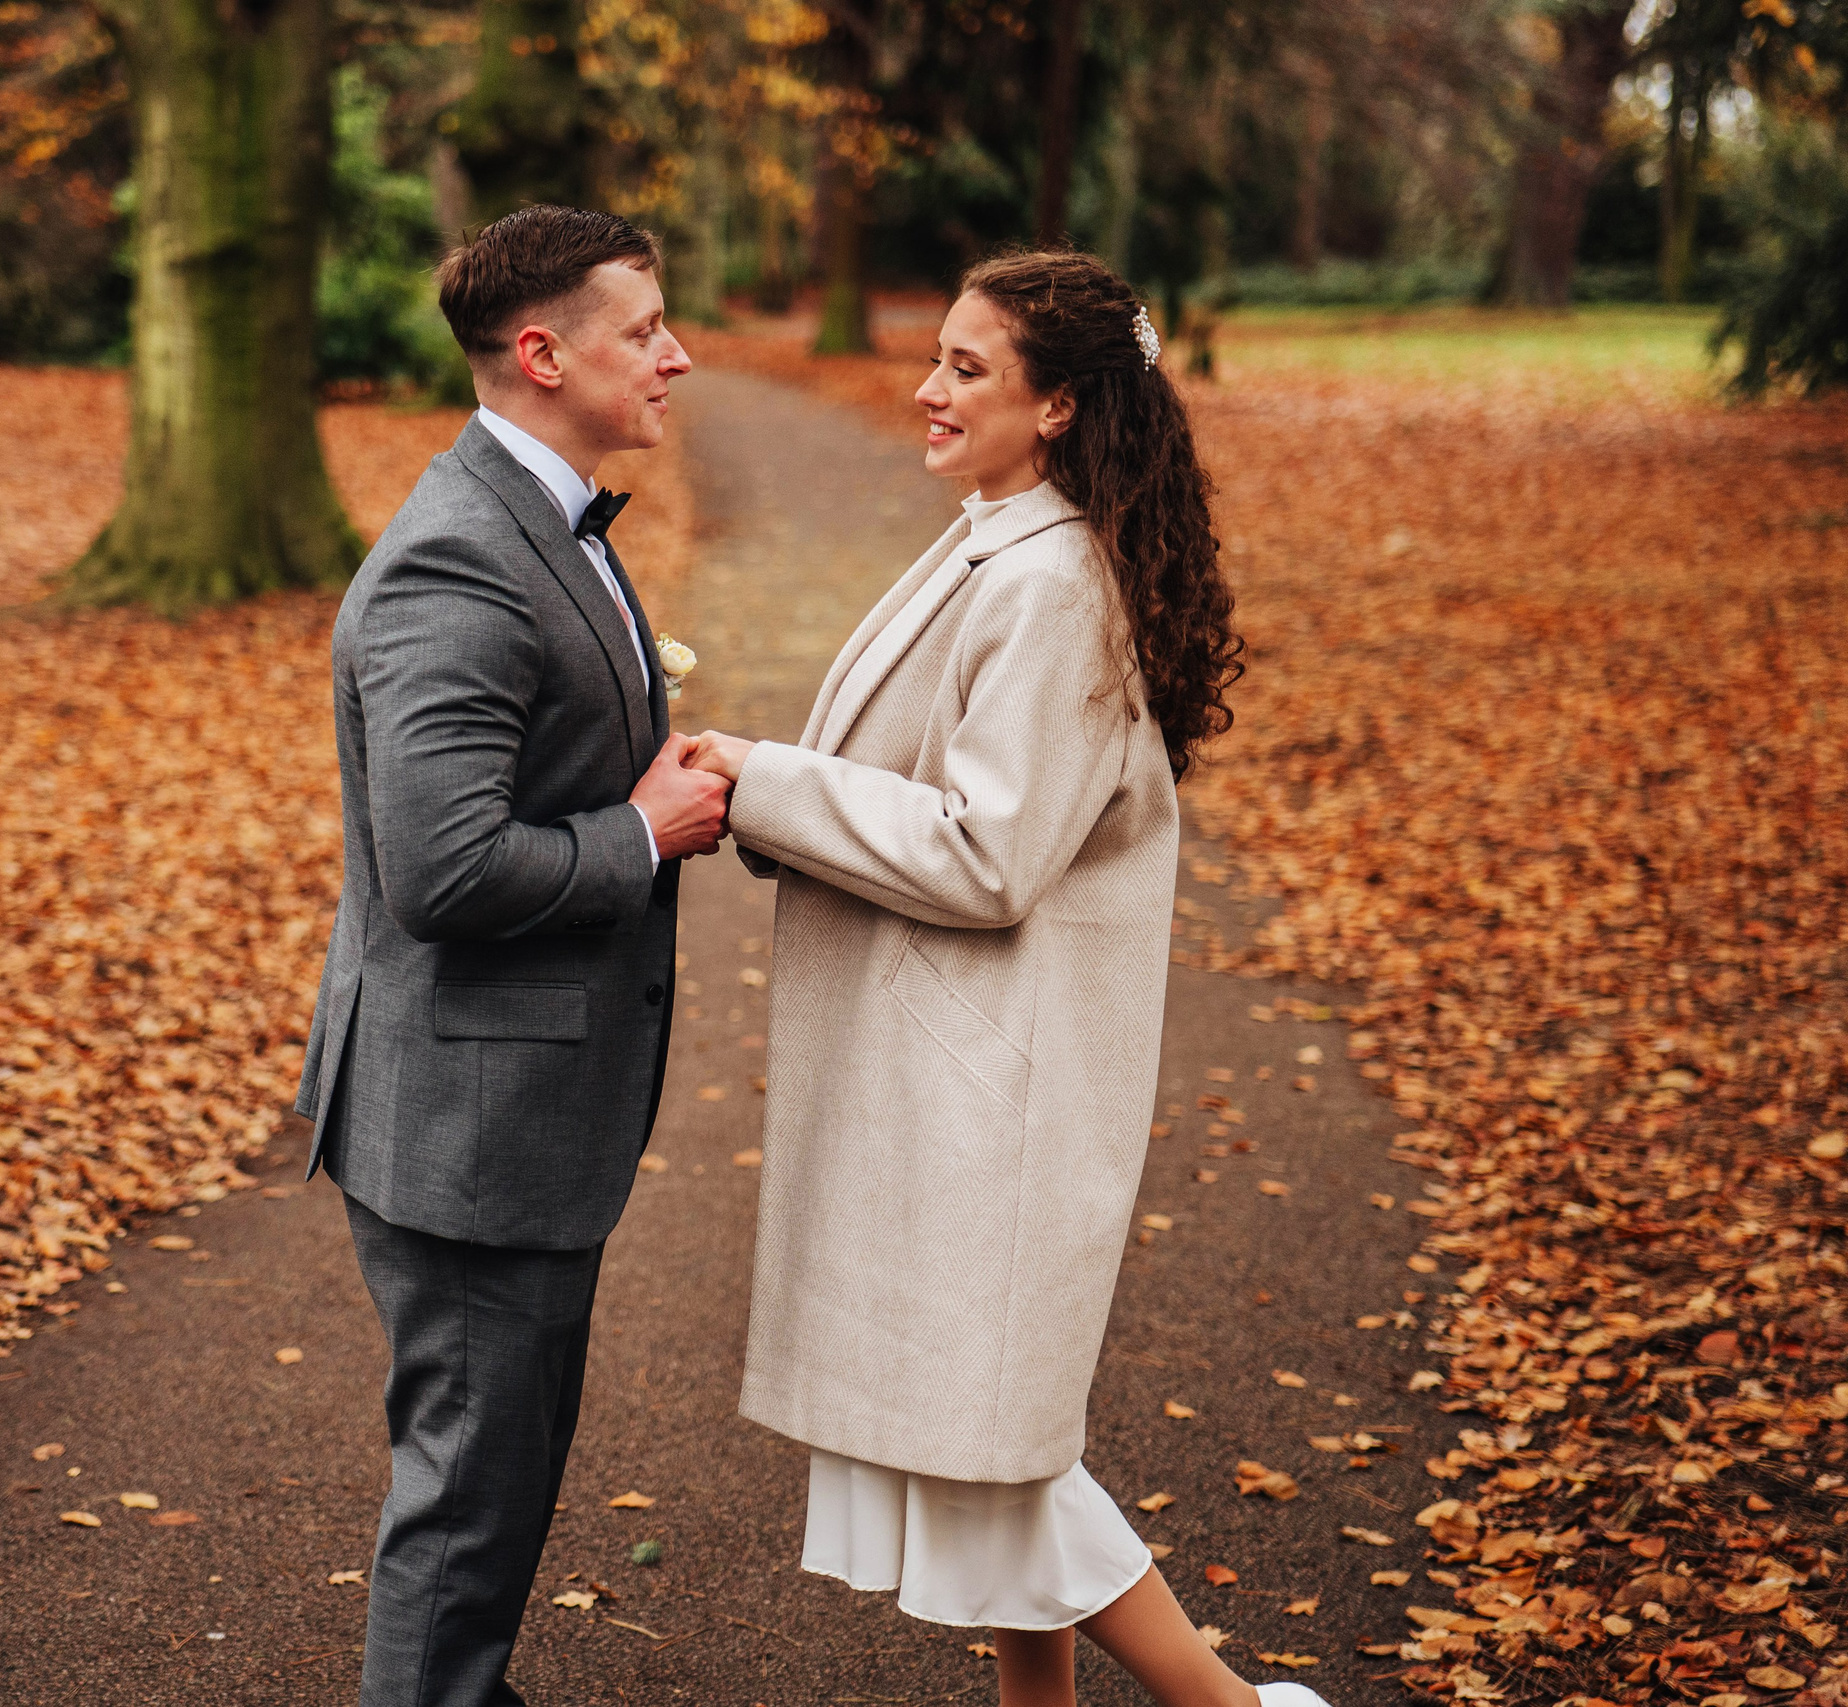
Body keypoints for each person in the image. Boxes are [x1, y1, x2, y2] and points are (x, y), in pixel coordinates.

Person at [682, 250, 1318, 1707]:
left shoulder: (1050, 584)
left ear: (1062, 408)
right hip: (959, 1074)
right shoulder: (1000, 535)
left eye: (969, 367)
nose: (926, 387)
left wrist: (767, 785)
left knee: (996, 1461)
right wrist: (760, 778)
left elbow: (989, 853)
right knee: (991, 1439)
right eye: (937, 355)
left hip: (990, 1093)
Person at [292, 205, 730, 1707]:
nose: (677, 355)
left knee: (506, 1471)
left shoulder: (545, 518)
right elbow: (443, 869)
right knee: (467, 1500)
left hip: (514, 1118)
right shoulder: (457, 567)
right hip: (469, 1127)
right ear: (542, 354)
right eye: (643, 330)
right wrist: (644, 832)